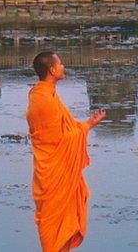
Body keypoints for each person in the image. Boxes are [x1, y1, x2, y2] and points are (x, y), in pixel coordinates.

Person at [26, 51, 106, 252]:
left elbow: (63, 131)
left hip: (60, 172)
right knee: (53, 235)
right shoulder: (43, 100)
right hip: (53, 174)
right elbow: (57, 140)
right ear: (52, 70)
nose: (63, 67)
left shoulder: (48, 94)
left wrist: (89, 124)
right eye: (60, 64)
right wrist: (86, 127)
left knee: (64, 233)